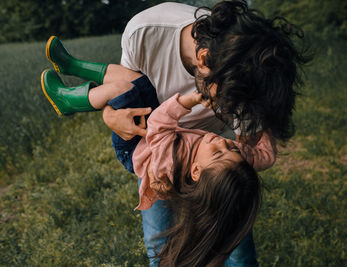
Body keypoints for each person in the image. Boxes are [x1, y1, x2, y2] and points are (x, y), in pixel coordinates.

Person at [42, 0, 310, 265]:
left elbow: (249, 153)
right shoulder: (145, 33)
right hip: (154, 141)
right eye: (228, 102)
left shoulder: (249, 74)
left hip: (168, 148)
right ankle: (72, 74)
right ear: (204, 59)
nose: (222, 142)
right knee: (160, 238)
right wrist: (110, 116)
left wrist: (252, 144)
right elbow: (127, 93)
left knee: (230, 227)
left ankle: (71, 75)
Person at [40, 63, 276, 265]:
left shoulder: (168, 161)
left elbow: (158, 124)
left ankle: (70, 100)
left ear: (196, 170)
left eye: (218, 151)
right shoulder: (231, 160)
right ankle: (71, 65)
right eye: (231, 147)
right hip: (171, 155)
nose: (223, 142)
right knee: (138, 81)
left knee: (123, 89)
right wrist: (263, 120)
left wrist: (186, 102)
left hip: (136, 146)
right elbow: (262, 156)